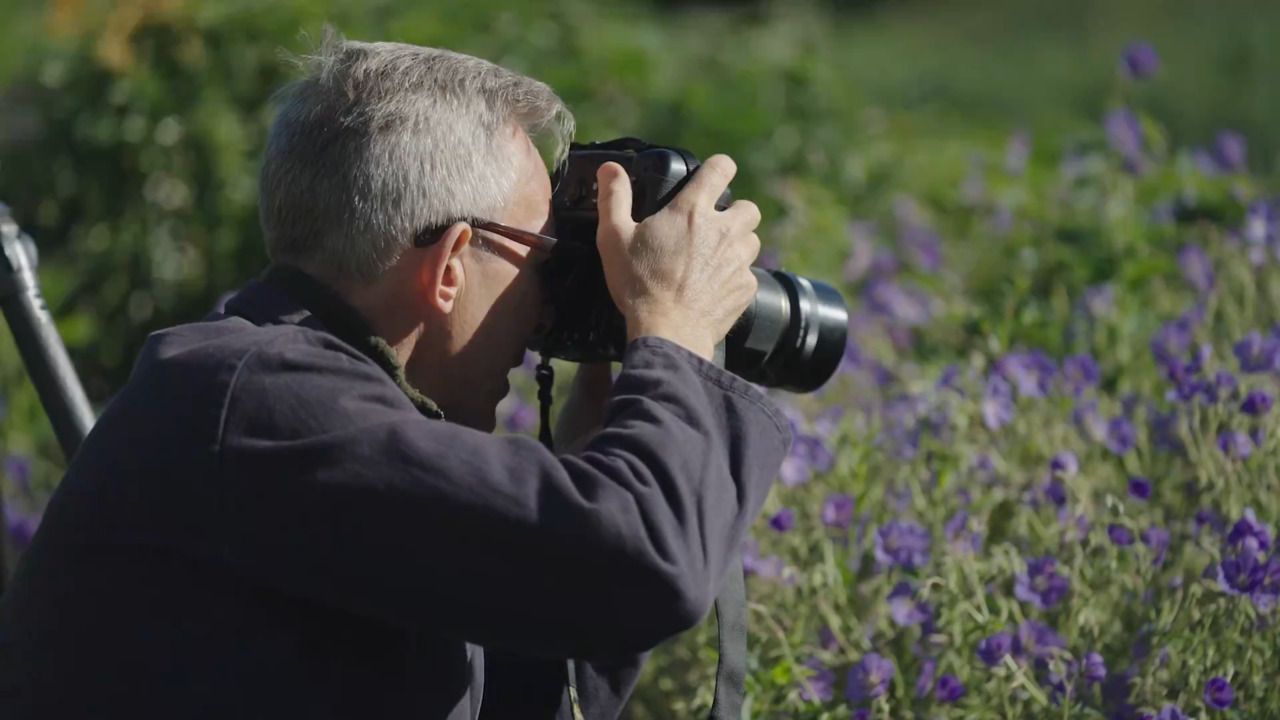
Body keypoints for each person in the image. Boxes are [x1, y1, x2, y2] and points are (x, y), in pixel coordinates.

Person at [0, 34, 791, 719]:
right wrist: (675, 331)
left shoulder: (276, 395)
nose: (546, 302)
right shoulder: (257, 399)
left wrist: (612, 430)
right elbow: (643, 563)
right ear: (450, 265)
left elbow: (519, 685)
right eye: (545, 259)